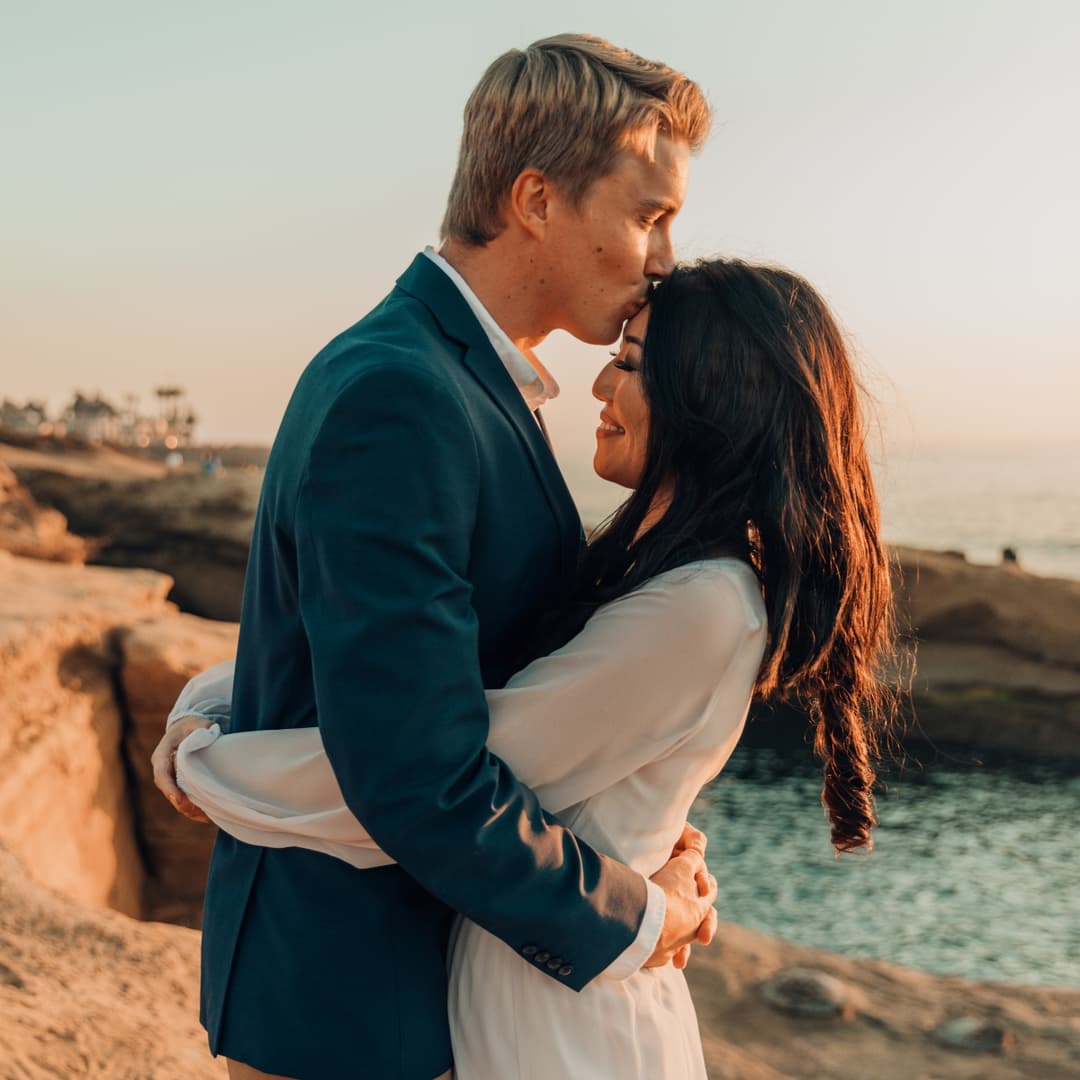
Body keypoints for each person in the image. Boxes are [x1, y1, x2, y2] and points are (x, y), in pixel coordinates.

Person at [155, 258, 899, 1078]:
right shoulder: (663, 576)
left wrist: (215, 764)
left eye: (629, 363)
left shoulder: (703, 606)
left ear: (711, 395)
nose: (596, 387)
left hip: (567, 1023)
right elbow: (426, 683)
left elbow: (430, 771)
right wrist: (216, 703)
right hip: (527, 993)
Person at [155, 34, 719, 1080]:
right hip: (346, 996)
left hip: (399, 977)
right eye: (649, 215)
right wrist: (632, 917)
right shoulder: (401, 393)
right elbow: (413, 769)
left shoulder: (468, 383)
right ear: (537, 201)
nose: (664, 260)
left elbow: (413, 662)